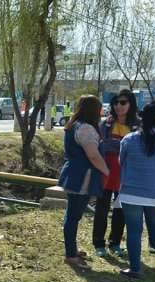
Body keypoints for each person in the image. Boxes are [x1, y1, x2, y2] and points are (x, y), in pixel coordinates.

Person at [118, 101, 155, 278]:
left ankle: (135, 268)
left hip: (132, 193)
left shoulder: (128, 139)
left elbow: (122, 162)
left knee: (134, 231)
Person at [57, 95, 109, 269]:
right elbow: (93, 156)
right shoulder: (86, 129)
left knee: (73, 215)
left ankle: (72, 249)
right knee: (73, 216)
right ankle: (70, 254)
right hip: (82, 178)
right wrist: (106, 171)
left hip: (74, 174)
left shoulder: (75, 125)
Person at [92, 90, 139, 257]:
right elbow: (99, 147)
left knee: (121, 210)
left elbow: (137, 151)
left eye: (123, 102)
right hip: (105, 172)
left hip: (127, 174)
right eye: (116, 103)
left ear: (131, 104)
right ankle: (98, 243)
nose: (119, 106)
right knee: (102, 208)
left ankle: (115, 243)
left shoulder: (137, 126)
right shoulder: (105, 124)